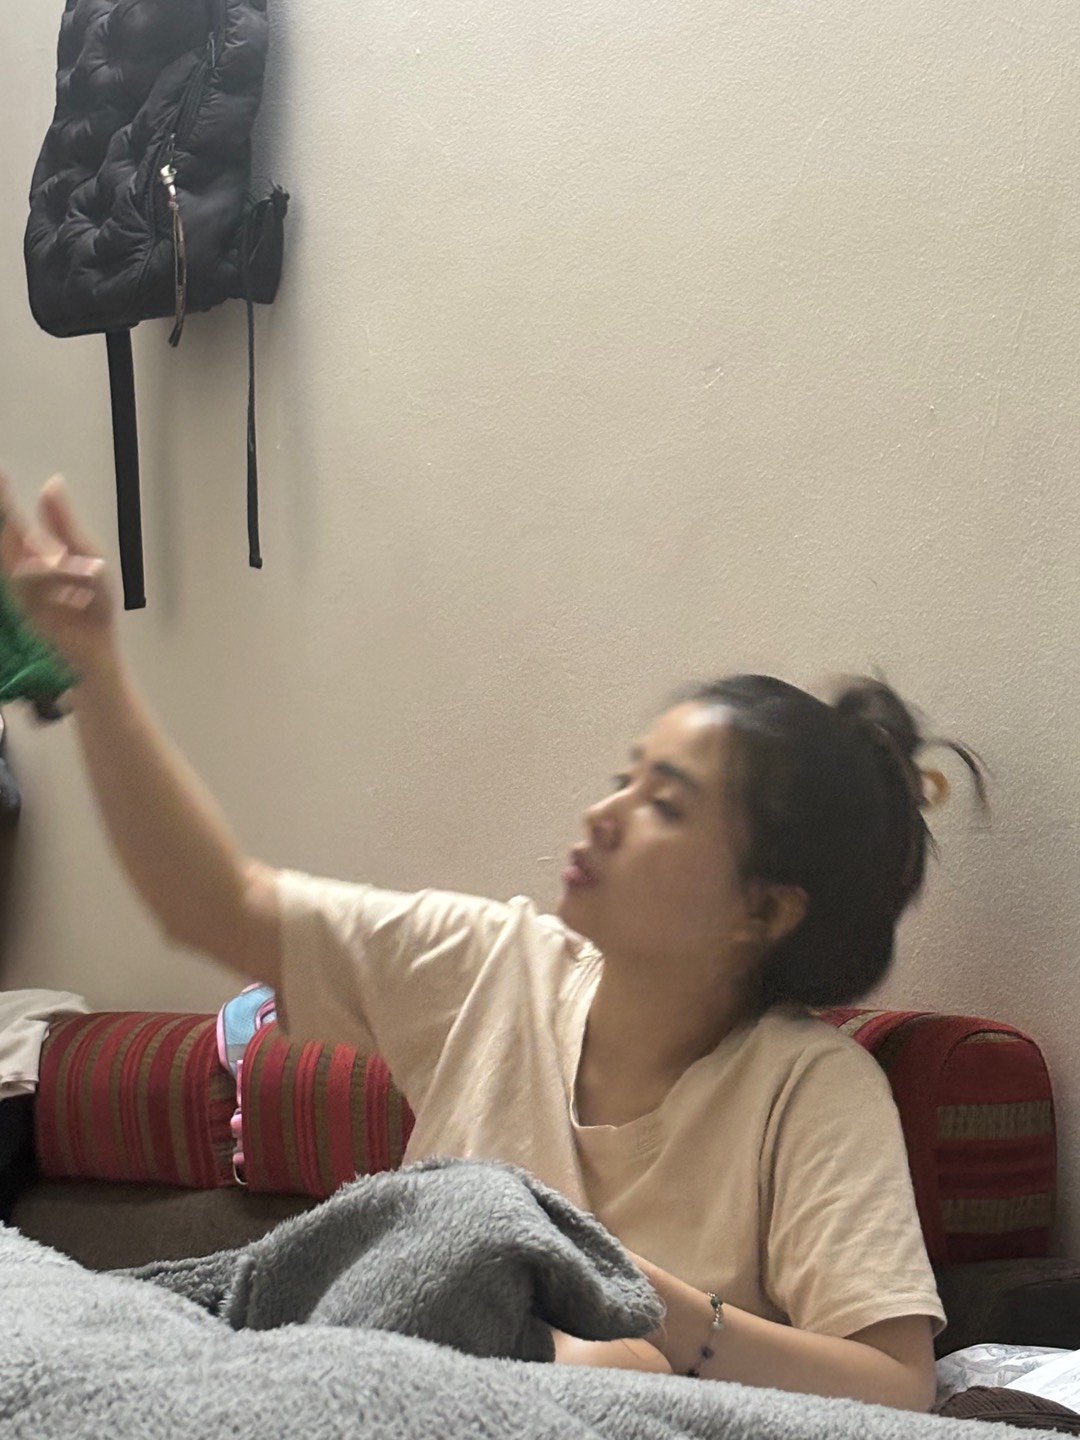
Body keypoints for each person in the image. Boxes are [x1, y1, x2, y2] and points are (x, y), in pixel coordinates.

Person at [0, 474, 984, 1411]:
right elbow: (215, 904)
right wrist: (97, 672)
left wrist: (629, 1296)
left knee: (622, 1359)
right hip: (357, 1384)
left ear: (763, 911)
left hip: (551, 1410)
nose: (604, 814)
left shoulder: (809, 1089)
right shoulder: (489, 966)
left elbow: (894, 1387)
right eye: (624, 778)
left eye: (666, 805)